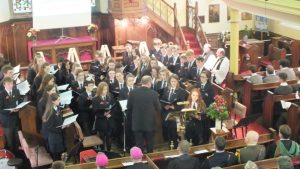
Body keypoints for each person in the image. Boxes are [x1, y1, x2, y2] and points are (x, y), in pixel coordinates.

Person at [127, 75, 161, 153]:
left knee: (139, 144)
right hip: (149, 123)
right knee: (150, 144)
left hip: (137, 123)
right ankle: (150, 161)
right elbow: (158, 108)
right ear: (149, 83)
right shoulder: (154, 93)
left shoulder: (132, 93)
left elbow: (129, 107)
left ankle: (139, 160)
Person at [160, 74, 188, 147]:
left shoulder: (181, 91)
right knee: (168, 132)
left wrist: (174, 107)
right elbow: (162, 99)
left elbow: (182, 103)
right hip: (166, 113)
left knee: (174, 132)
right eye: (172, 81)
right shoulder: (166, 89)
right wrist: (164, 106)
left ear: (177, 82)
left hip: (175, 114)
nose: (173, 83)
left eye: (174, 81)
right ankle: (170, 145)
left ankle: (175, 146)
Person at [0, 77, 22, 153]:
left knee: (16, 138)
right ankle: (11, 155)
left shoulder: (16, 91)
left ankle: (18, 154)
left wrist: (19, 107)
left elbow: (19, 101)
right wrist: (10, 111)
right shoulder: (1, 94)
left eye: (12, 83)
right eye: (8, 84)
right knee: (10, 141)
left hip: (15, 119)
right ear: (4, 85)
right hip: (6, 121)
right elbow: (1, 109)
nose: (10, 85)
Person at [92, 82, 116, 151]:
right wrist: (103, 114)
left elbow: (114, 108)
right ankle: (102, 151)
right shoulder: (95, 99)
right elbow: (94, 112)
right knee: (102, 138)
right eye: (103, 90)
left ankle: (109, 151)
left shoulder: (110, 96)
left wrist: (110, 114)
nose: (105, 91)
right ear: (100, 90)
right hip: (101, 122)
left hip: (110, 121)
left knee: (109, 137)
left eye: (106, 89)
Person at [42, 93, 65, 160]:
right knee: (56, 156)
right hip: (53, 137)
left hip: (59, 134)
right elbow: (50, 127)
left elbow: (60, 118)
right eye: (58, 100)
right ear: (52, 101)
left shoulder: (57, 108)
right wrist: (61, 127)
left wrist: (64, 123)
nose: (59, 101)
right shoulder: (49, 112)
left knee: (60, 153)